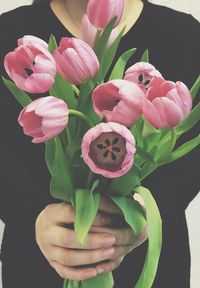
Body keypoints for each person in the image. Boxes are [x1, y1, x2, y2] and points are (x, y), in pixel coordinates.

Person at [0, 0, 199, 287]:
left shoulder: (186, 37)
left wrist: (144, 212)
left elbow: (192, 159)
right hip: (38, 265)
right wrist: (32, 215)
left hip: (152, 267)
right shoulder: (10, 37)